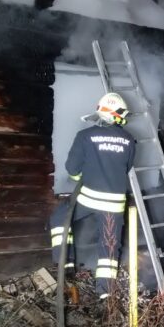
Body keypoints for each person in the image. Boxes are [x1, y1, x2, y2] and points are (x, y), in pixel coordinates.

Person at [51, 92, 136, 298]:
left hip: (87, 198)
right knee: (109, 247)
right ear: (118, 115)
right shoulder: (128, 139)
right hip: (114, 204)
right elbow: (127, 167)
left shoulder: (85, 135)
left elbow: (72, 168)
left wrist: (84, 174)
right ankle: (105, 295)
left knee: (59, 219)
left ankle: (65, 264)